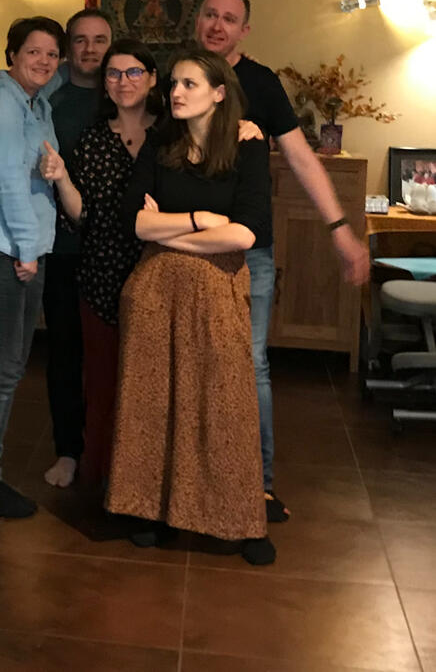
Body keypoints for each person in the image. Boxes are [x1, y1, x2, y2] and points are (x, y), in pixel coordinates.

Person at [195, 0, 369, 523]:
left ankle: (259, 485)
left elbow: (301, 158)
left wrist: (340, 229)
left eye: (229, 19)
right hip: (186, 245)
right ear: (197, 20)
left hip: (251, 250)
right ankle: (190, 482)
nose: (217, 25)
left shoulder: (262, 83)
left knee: (250, 364)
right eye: (210, 14)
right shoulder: (178, 75)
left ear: (244, 30)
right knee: (190, 361)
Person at [108, 47, 275, 566]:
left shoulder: (247, 147)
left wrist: (171, 229)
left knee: (226, 404)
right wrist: (203, 219)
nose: (176, 93)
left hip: (218, 287)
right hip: (155, 288)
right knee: (151, 403)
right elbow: (135, 222)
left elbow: (245, 233)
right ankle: (148, 510)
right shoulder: (161, 144)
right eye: (173, 83)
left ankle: (239, 519)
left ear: (219, 94)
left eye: (189, 85)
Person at [0, 15, 65, 518]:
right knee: (0, 370)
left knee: (10, 368)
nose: (44, 61)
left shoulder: (37, 103)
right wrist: (26, 249)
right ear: (12, 56)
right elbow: (4, 180)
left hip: (22, 249)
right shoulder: (0, 100)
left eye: (52, 53)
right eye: (33, 51)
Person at [40, 38, 161, 485]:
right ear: (104, 84)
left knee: (151, 378)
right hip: (101, 271)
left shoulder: (172, 135)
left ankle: (147, 475)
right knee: (102, 376)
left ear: (152, 79)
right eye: (114, 73)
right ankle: (101, 471)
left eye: (133, 72)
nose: (123, 81)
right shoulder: (92, 140)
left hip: (157, 270)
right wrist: (62, 178)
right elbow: (81, 215)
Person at [41, 8, 113, 488]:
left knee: (110, 355)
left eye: (99, 40)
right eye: (81, 40)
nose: (90, 49)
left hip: (117, 249)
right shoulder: (51, 98)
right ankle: (67, 450)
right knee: (65, 353)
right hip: (62, 246)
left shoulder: (125, 93)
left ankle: (112, 455)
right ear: (69, 47)